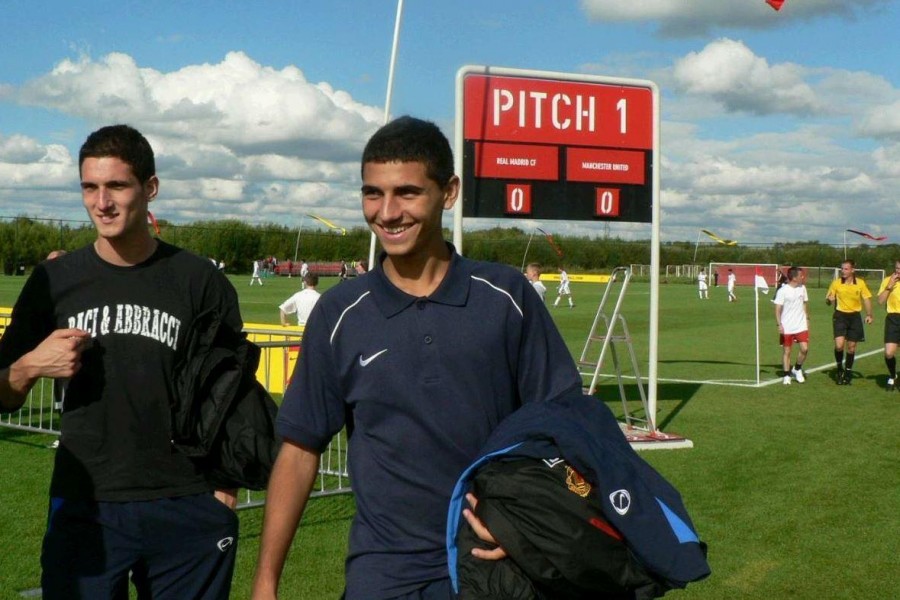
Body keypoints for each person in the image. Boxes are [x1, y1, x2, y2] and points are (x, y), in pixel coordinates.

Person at [251, 116, 582, 600]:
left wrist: (525, 524)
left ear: (448, 191)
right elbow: (300, 452)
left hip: (496, 566)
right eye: (372, 193)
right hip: (383, 574)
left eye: (406, 192)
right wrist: (265, 582)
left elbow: (567, 427)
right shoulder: (340, 313)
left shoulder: (505, 297)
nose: (386, 212)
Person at [0, 125, 243, 598]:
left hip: (186, 503)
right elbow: (0, 393)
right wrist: (31, 365)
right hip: (86, 501)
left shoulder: (199, 281)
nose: (101, 203)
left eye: (116, 186)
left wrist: (224, 487)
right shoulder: (55, 281)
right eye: (90, 187)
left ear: (150, 188)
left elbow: (232, 390)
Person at [825, 259, 874, 385]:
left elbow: (867, 299)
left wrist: (869, 315)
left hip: (855, 317)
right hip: (840, 316)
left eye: (846, 269)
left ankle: (847, 372)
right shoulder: (836, 283)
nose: (843, 271)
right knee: (839, 345)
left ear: (853, 270)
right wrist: (830, 300)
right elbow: (828, 300)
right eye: (842, 269)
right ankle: (839, 368)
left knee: (851, 348)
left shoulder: (860, 283)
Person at [773, 266, 809, 385]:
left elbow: (804, 304)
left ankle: (797, 369)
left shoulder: (802, 288)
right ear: (794, 278)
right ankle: (786, 375)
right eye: (800, 275)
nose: (802, 277)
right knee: (787, 351)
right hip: (787, 326)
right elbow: (777, 309)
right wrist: (779, 324)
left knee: (805, 349)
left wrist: (807, 319)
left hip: (801, 325)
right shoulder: (782, 291)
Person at [876, 260, 900, 390]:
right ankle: (892, 376)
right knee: (889, 353)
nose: (898, 271)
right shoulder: (887, 281)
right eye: (897, 268)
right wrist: (889, 286)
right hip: (893, 319)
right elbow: (880, 301)